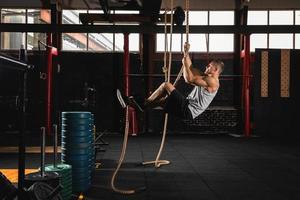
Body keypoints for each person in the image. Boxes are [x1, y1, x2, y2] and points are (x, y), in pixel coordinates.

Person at [144, 43, 224, 120]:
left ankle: (143, 104)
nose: (207, 66)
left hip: (189, 109)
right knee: (163, 102)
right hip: (187, 107)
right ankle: (143, 106)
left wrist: (185, 60)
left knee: (166, 85)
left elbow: (189, 79)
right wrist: (186, 52)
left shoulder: (213, 82)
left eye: (209, 66)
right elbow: (191, 68)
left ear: (215, 69)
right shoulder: (206, 77)